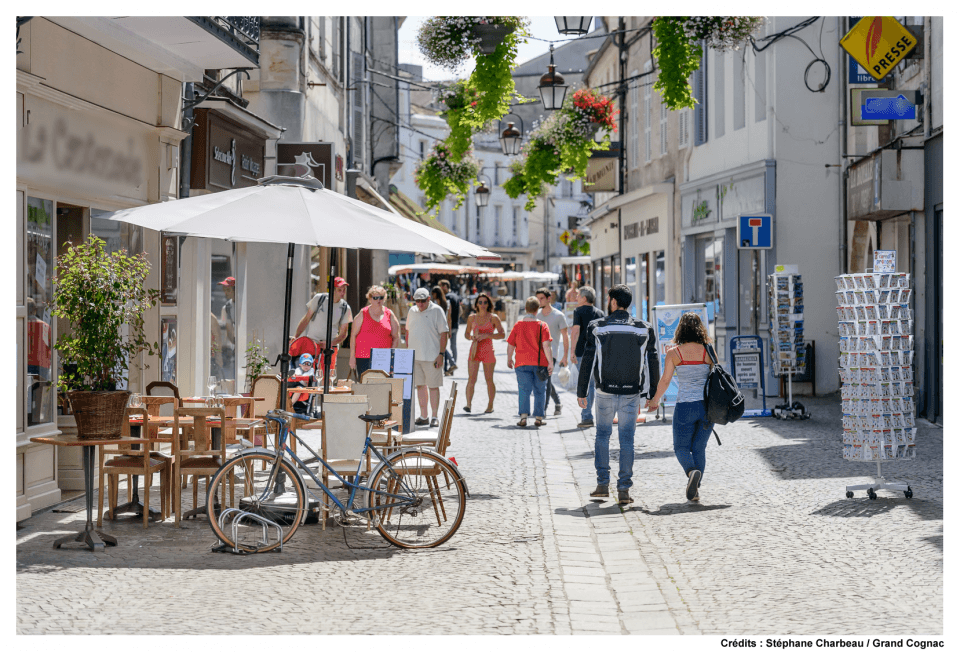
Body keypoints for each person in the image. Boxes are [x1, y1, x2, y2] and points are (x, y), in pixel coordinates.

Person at [577, 284, 659, 506]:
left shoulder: (597, 327)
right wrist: (654, 394)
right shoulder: (644, 328)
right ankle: (624, 489)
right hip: (631, 392)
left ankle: (602, 484)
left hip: (604, 390)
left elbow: (587, 359)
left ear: (613, 301)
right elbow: (653, 361)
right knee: (627, 440)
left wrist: (581, 390)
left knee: (602, 435)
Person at [646, 312, 715, 502]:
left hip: (685, 406)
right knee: (699, 448)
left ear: (680, 329)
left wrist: (655, 401)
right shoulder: (708, 350)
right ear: (701, 328)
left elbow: (666, 380)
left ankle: (691, 472)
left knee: (681, 448)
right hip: (708, 407)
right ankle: (695, 489)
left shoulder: (674, 353)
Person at [507, 296, 554, 428]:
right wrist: (550, 362)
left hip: (522, 363)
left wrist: (509, 358)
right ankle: (538, 418)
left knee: (523, 390)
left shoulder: (518, 325)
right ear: (537, 310)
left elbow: (511, 344)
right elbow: (546, 346)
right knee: (540, 391)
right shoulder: (542, 325)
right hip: (540, 364)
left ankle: (523, 417)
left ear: (526, 309)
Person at [406, 287, 449, 428]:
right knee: (420, 386)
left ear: (429, 299)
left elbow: (444, 333)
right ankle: (424, 416)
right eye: (417, 301)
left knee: (433, 387)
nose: (420, 304)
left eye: (423, 301)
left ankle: (435, 416)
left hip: (432, 356)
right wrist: (408, 351)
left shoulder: (437, 310)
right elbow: (408, 331)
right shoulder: (412, 311)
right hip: (415, 356)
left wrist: (441, 354)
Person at [294, 277, 352, 375]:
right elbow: (306, 319)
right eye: (339, 290)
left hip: (330, 348)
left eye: (344, 290)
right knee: (307, 374)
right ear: (332, 290)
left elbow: (343, 333)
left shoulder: (345, 308)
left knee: (327, 376)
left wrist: (329, 343)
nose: (342, 292)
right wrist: (296, 337)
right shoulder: (319, 299)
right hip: (311, 344)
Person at [463, 292, 505, 414]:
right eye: (480, 302)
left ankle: (490, 405)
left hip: (488, 350)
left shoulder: (493, 318)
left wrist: (488, 335)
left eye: (485, 302)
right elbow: (466, 334)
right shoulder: (472, 318)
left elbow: (502, 334)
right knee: (471, 378)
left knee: (489, 379)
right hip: (475, 349)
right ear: (476, 304)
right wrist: (471, 338)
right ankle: (468, 404)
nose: (482, 304)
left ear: (488, 304)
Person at [570, 286, 605, 428]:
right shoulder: (600, 312)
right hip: (597, 353)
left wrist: (572, 351)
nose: (576, 298)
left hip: (582, 353)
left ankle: (586, 417)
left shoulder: (578, 311)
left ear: (584, 298)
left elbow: (575, 332)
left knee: (585, 385)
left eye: (578, 295)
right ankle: (593, 416)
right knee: (594, 385)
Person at [349, 284, 401, 377]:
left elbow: (396, 337)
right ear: (369, 299)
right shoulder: (363, 313)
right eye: (375, 297)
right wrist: (352, 357)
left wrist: (391, 357)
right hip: (363, 357)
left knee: (382, 388)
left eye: (381, 297)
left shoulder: (389, 314)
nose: (378, 300)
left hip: (383, 358)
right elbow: (353, 335)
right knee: (365, 387)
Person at [536, 287, 569, 416]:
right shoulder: (536, 315)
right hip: (538, 354)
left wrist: (565, 356)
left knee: (546, 380)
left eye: (541, 298)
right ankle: (558, 402)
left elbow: (565, 337)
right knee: (544, 380)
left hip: (552, 353)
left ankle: (543, 410)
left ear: (549, 298)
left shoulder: (559, 316)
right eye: (537, 299)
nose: (539, 301)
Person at [440, 279, 461, 376]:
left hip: (449, 325)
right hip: (456, 325)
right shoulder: (456, 296)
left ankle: (452, 364)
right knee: (453, 347)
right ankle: (452, 368)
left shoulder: (447, 297)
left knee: (443, 346)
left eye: (441, 286)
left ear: (445, 287)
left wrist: (449, 325)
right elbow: (460, 311)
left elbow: (448, 313)